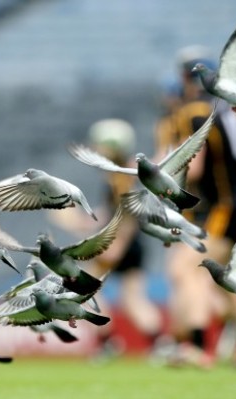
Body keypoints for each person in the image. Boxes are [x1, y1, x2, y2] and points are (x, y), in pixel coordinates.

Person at [155, 46, 236, 368]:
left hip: (224, 204)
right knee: (223, 280)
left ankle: (197, 347)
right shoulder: (232, 109)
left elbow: (193, 169)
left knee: (186, 269)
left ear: (184, 78)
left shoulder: (191, 112)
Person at [50, 118, 164, 360]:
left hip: (121, 242)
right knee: (132, 298)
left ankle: (108, 343)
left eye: (99, 144)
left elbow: (128, 214)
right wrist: (84, 221)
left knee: (83, 290)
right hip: (132, 243)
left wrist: (117, 245)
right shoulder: (121, 172)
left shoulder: (120, 175)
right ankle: (160, 344)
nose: (95, 149)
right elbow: (113, 212)